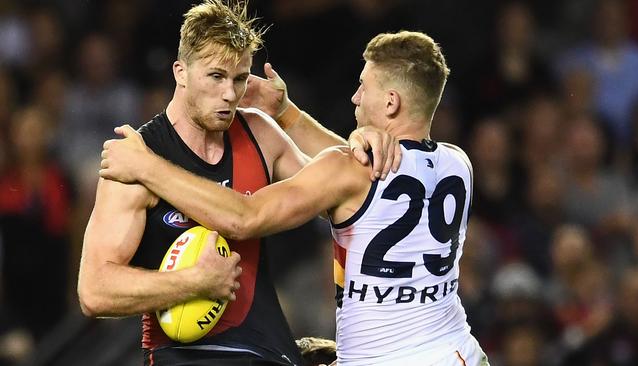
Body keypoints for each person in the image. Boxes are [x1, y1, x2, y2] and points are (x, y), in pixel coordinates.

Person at [100, 30, 489, 365]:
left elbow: (245, 217)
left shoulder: (345, 170)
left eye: (363, 87)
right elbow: (375, 184)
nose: (354, 98)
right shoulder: (459, 164)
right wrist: (285, 112)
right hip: (460, 351)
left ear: (390, 102)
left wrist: (146, 167)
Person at [77, 1, 400, 365]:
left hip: (269, 352)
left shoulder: (259, 133)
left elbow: (347, 198)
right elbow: (94, 291)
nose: (230, 94)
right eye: (216, 76)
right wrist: (191, 283)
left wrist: (352, 142)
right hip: (187, 358)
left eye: (240, 78)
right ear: (180, 72)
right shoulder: (134, 159)